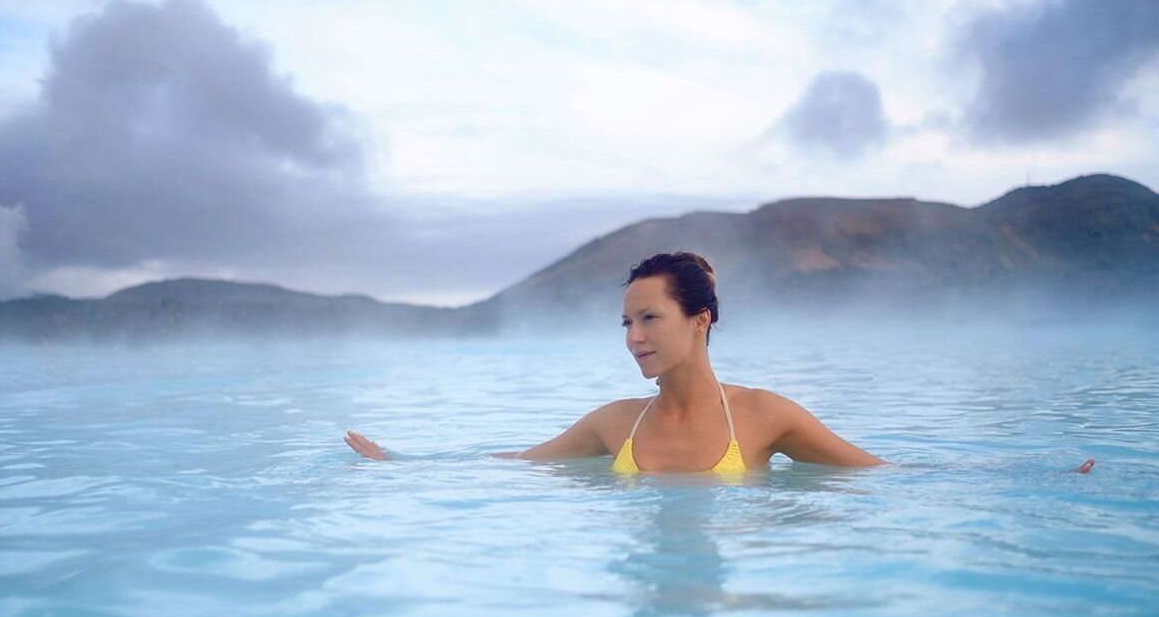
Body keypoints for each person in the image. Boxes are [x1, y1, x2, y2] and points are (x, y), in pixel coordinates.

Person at [345, 251, 885, 473]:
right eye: (627, 324)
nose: (634, 338)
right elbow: (518, 465)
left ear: (700, 320)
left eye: (650, 319)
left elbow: (877, 478)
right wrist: (402, 465)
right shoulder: (616, 424)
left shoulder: (766, 416)